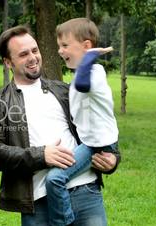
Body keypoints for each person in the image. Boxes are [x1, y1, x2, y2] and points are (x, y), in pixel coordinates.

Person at [0, 25, 121, 226]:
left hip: (86, 192)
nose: (32, 57)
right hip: (38, 202)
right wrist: (42, 155)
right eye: (23, 54)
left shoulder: (64, 90)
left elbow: (98, 122)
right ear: (7, 62)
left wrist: (113, 158)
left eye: (34, 50)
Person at [44, 18, 120, 226]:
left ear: (86, 46)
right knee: (54, 179)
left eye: (65, 45)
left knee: (55, 179)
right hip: (92, 141)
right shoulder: (80, 75)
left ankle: (63, 222)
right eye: (59, 46)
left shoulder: (94, 73)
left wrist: (90, 57)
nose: (60, 51)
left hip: (97, 145)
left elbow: (84, 85)